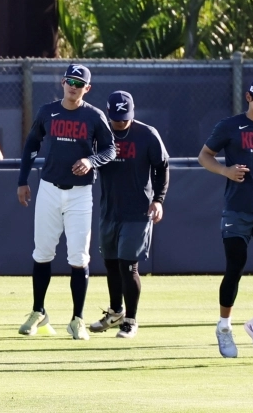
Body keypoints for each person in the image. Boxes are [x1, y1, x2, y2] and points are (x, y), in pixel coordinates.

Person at [16, 64, 116, 341]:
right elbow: (31, 145)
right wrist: (22, 181)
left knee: (78, 257)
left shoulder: (93, 116)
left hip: (80, 193)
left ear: (88, 88)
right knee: (42, 253)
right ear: (62, 82)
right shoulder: (48, 111)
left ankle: (77, 319)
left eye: (80, 83)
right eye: (70, 80)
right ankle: (38, 311)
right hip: (48, 187)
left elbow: (110, 149)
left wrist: (90, 160)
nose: (74, 86)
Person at [197, 76, 253, 358]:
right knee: (235, 267)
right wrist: (226, 171)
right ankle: (224, 327)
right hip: (237, 209)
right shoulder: (229, 126)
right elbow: (204, 156)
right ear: (249, 97)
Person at [87, 91, 169, 339]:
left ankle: (131, 320)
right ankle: (115, 312)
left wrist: (158, 200)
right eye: (116, 117)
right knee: (111, 263)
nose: (120, 122)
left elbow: (162, 167)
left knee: (128, 265)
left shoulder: (147, 134)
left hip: (138, 211)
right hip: (109, 209)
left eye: (125, 117)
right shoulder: (101, 133)